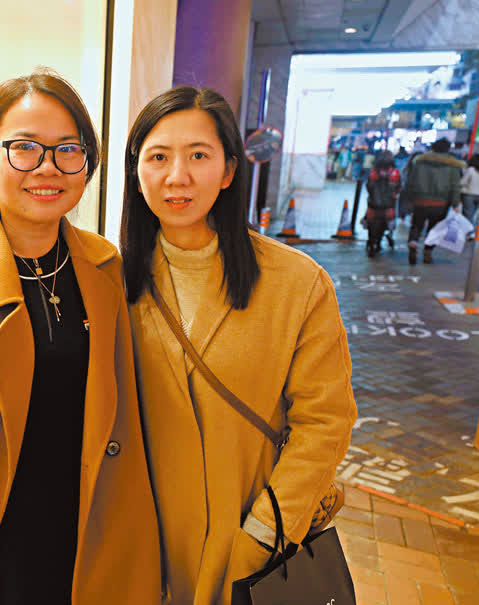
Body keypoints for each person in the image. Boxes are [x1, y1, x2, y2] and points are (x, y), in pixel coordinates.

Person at [0, 69, 161, 605]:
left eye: (68, 149)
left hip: (93, 539)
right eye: (24, 148)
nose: (47, 167)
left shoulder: (104, 265)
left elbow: (125, 423)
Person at [119, 86, 356, 605]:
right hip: (139, 544)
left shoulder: (297, 283)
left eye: (198, 156)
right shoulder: (111, 281)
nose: (177, 176)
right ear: (136, 173)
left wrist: (266, 530)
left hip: (248, 542)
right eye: (158, 157)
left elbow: (326, 420)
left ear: (228, 170)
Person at [404, 138, 464, 264]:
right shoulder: (452, 165)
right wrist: (455, 203)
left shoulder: (420, 162)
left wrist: (409, 198)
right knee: (435, 229)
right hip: (440, 203)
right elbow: (455, 186)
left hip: (420, 200)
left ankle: (413, 242)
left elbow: (410, 181)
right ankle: (428, 251)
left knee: (416, 224)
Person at [365, 150, 401, 257]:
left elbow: (369, 186)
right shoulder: (395, 172)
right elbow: (399, 187)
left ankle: (371, 242)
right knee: (385, 222)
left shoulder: (374, 171)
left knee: (372, 222)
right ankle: (379, 242)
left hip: (373, 203)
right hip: (389, 204)